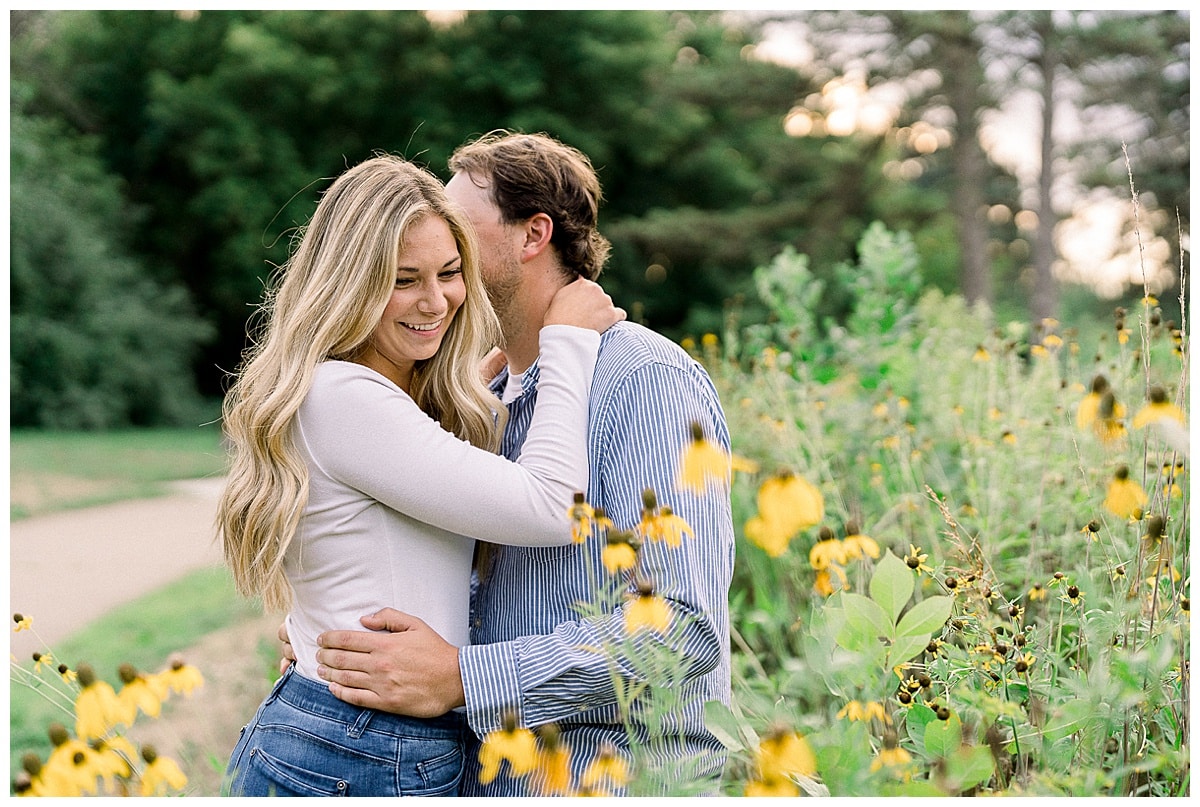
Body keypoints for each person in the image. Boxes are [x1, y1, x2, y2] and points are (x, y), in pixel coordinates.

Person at [305, 132, 736, 796]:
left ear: (533, 234)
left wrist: (464, 676)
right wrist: (333, 639)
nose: (436, 240)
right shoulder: (494, 393)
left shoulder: (641, 379)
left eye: (458, 225)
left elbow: (682, 630)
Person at [218, 153, 624, 797]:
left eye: (450, 273)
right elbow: (552, 509)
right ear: (350, 284)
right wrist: (565, 342)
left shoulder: (371, 395)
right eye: (404, 280)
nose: (434, 302)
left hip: (361, 735)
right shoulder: (345, 397)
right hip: (362, 747)